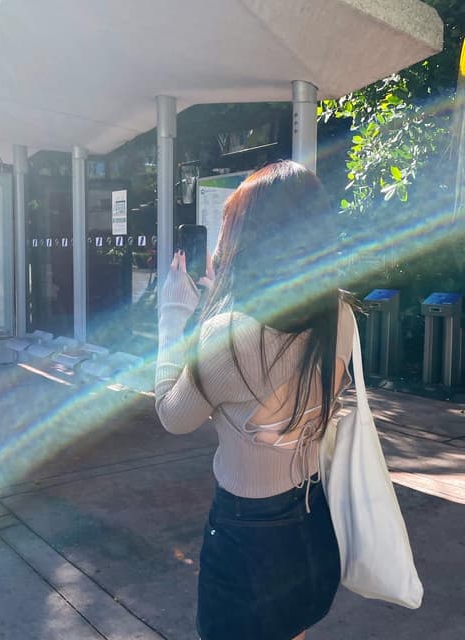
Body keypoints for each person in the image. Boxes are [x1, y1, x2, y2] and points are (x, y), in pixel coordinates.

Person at [155, 160, 355, 640]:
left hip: (248, 539)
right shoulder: (340, 313)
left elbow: (172, 415)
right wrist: (214, 305)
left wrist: (172, 315)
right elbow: (268, 358)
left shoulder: (228, 336)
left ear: (248, 237)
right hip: (313, 522)